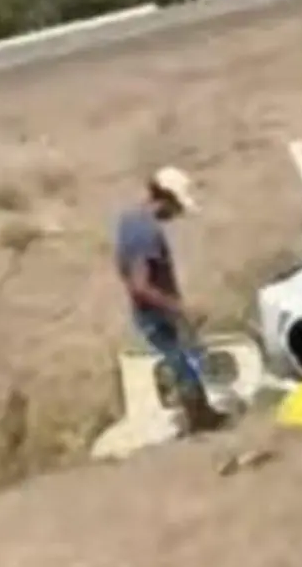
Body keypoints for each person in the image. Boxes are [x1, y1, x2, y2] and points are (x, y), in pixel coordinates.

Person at [114, 166, 229, 434]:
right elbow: (141, 285)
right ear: (166, 200)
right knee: (182, 362)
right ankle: (201, 422)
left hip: (149, 310)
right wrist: (179, 308)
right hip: (155, 311)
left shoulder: (128, 220)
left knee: (182, 360)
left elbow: (127, 274)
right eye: (176, 208)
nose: (175, 216)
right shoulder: (147, 233)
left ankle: (202, 417)